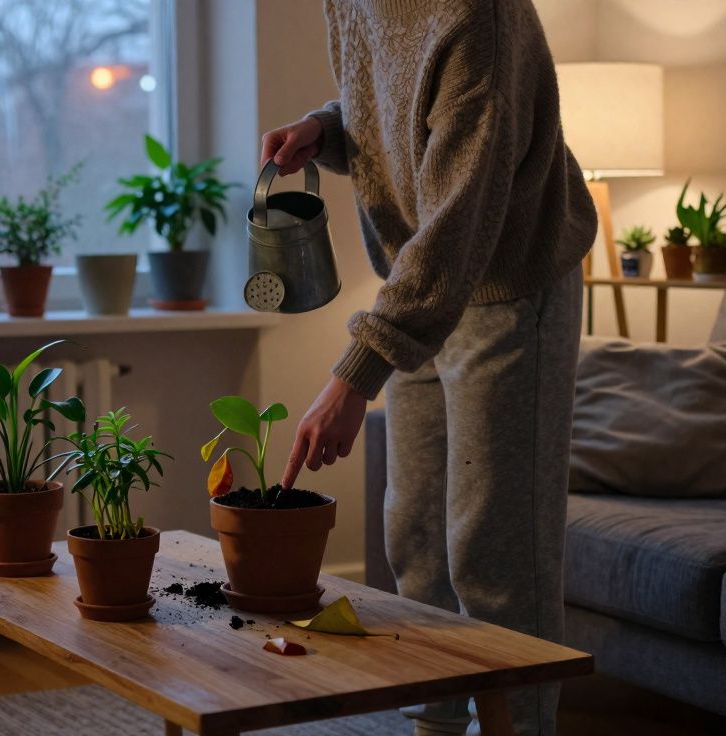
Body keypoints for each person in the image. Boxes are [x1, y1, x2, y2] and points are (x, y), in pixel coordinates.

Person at [263, 2, 596, 735]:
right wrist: (329, 127)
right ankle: (434, 726)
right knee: (415, 542)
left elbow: (461, 211)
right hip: (420, 282)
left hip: (509, 285)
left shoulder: (477, 13)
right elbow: (396, 102)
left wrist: (354, 375)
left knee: (495, 554)